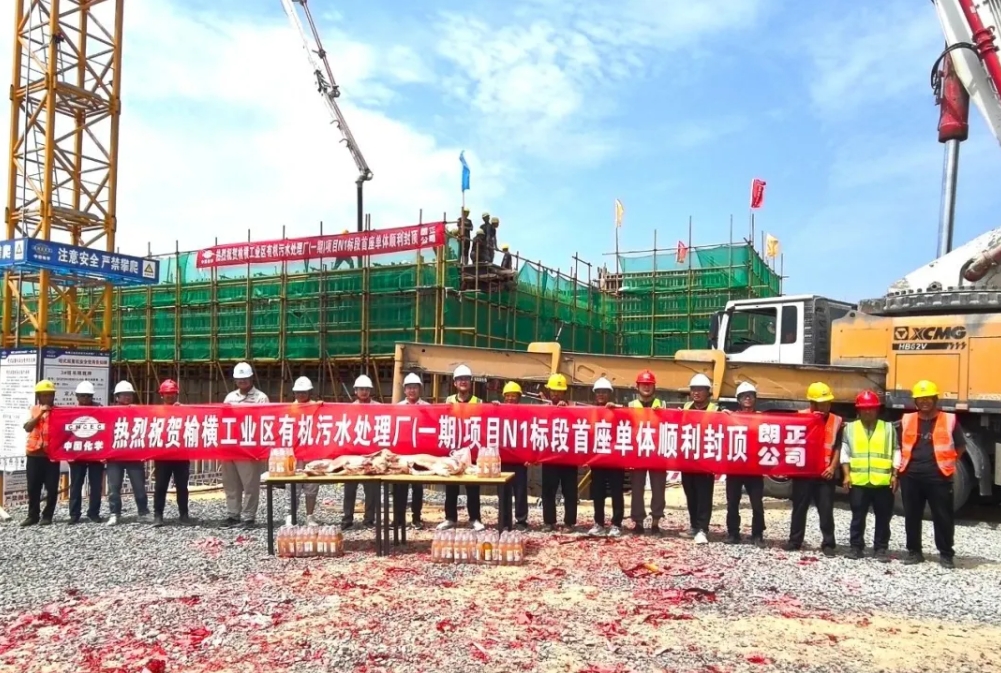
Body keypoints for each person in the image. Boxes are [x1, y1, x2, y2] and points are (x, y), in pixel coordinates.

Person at [898, 380, 964, 569]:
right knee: (912, 516)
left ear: (935, 399)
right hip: (911, 475)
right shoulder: (907, 419)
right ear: (915, 401)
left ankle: (946, 554)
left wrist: (948, 463)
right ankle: (914, 552)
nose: (924, 401)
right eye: (921, 398)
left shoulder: (949, 419)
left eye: (928, 398)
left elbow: (960, 446)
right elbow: (900, 445)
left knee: (943, 516)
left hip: (938, 476)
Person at [784, 381, 842, 556]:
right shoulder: (800, 417)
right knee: (799, 508)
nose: (825, 407)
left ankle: (828, 544)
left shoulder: (836, 420)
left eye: (827, 403)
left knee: (826, 510)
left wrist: (832, 467)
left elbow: (838, 447)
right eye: (821, 403)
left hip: (825, 474)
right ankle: (795, 541)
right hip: (803, 474)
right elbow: (790, 443)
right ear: (812, 403)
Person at [841, 390, 899, 561]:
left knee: (883, 518)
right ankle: (856, 547)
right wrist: (846, 475)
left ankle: (880, 548)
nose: (868, 411)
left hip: (883, 482)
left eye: (871, 408)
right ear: (858, 410)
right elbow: (845, 452)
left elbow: (896, 451)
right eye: (864, 408)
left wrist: (895, 474)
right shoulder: (850, 428)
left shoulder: (888, 428)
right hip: (859, 481)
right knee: (858, 517)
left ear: (877, 409)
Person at [222, 362, 270, 529]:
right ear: (235, 380)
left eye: (245, 378)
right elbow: (223, 419)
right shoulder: (230, 398)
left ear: (251, 378)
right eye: (239, 379)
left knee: (250, 484)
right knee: (231, 483)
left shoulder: (261, 398)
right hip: (231, 446)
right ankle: (233, 514)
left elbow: (265, 421)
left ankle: (249, 517)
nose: (242, 381)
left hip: (250, 448)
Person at [439, 365, 485, 531]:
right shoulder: (448, 401)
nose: (463, 382)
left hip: (472, 449)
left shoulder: (479, 402)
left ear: (470, 382)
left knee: (473, 487)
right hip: (454, 450)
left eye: (466, 379)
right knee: (451, 486)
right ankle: (450, 518)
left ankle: (475, 518)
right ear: (455, 383)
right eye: (460, 379)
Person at [724, 382, 764, 546]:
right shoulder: (731, 417)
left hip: (754, 468)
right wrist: (722, 416)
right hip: (735, 467)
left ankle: (758, 534)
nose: (748, 398)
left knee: (757, 503)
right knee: (733, 502)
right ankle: (733, 533)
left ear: (755, 398)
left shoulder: (762, 418)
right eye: (744, 396)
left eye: (750, 395)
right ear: (738, 399)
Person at [106, 381, 151, 526]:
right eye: (124, 394)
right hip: (115, 456)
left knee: (139, 486)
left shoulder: (138, 412)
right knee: (114, 487)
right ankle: (114, 513)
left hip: (134, 455)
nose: (127, 397)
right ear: (117, 397)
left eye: (130, 394)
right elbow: (105, 433)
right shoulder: (109, 412)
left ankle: (143, 512)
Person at [682, 373, 719, 545]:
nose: (696, 393)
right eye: (693, 389)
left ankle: (703, 528)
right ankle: (694, 525)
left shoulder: (715, 410)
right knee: (691, 494)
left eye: (700, 389)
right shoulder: (686, 408)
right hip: (688, 459)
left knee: (704, 495)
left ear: (707, 392)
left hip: (705, 461)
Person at [628, 369, 665, 535]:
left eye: (649, 384)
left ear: (654, 387)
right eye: (643, 384)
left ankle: (656, 521)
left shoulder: (662, 405)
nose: (646, 387)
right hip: (638, 453)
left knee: (658, 489)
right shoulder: (630, 406)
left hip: (657, 454)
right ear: (637, 386)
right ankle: (638, 522)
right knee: (637, 489)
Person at [540, 374, 578, 532]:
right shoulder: (545, 407)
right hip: (550, 456)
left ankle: (569, 522)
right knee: (548, 491)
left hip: (569, 457)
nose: (555, 394)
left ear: (564, 392)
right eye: (553, 391)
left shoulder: (574, 407)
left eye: (559, 391)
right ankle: (549, 521)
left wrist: (566, 409)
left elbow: (581, 424)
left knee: (570, 491)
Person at [342, 374, 380, 529]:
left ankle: (369, 520)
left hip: (372, 454)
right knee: (350, 489)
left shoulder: (379, 408)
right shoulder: (349, 409)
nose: (364, 392)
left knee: (371, 490)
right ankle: (347, 519)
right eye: (361, 389)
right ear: (355, 391)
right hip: (353, 454)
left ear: (370, 390)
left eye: (366, 389)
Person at [20, 380, 61, 527]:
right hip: (34, 455)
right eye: (44, 395)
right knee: (33, 487)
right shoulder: (33, 410)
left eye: (50, 395)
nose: (48, 398)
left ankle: (47, 515)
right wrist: (41, 413)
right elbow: (27, 427)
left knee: (52, 488)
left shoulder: (59, 411)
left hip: (51, 456)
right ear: (39, 396)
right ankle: (32, 516)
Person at [152, 379, 192, 527]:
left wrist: (183, 410)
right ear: (161, 395)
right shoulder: (156, 411)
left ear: (177, 394)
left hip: (181, 454)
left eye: (173, 393)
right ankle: (158, 515)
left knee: (182, 486)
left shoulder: (184, 410)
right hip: (163, 455)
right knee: (160, 486)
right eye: (167, 393)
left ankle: (184, 514)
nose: (170, 396)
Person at [588, 377, 624, 537]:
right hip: (598, 459)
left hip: (615, 459)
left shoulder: (618, 410)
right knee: (598, 492)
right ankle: (599, 523)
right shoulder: (590, 412)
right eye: (598, 392)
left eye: (604, 392)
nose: (601, 394)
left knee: (617, 492)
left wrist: (616, 409)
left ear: (610, 394)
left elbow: (629, 419)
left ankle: (616, 524)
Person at [67, 380, 104, 524]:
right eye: (82, 395)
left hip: (95, 453)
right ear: (77, 396)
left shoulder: (100, 410)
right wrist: (67, 453)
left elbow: (105, 430)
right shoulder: (70, 412)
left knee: (96, 485)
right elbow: (65, 433)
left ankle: (94, 512)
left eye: (88, 396)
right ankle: (74, 514)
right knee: (76, 485)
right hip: (77, 454)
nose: (85, 399)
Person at [286, 376, 321, 526]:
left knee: (311, 484)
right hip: (294, 452)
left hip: (312, 451)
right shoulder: (289, 408)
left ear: (309, 392)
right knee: (292, 484)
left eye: (304, 392)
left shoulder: (317, 407)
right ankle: (290, 515)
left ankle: (310, 515)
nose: (300, 395)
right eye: (298, 392)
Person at [394, 373, 427, 529]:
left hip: (420, 454)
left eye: (415, 387)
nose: (412, 390)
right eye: (409, 388)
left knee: (417, 488)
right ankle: (398, 519)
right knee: (399, 487)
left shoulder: (427, 408)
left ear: (419, 389)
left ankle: (416, 518)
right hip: (402, 454)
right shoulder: (398, 408)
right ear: (404, 390)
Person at [497, 381, 529, 531]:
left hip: (519, 459)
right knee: (503, 491)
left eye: (513, 396)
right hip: (502, 458)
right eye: (508, 396)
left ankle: (521, 521)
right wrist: (493, 407)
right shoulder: (498, 411)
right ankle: (504, 520)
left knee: (520, 490)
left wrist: (530, 456)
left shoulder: (525, 413)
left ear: (519, 397)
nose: (510, 399)